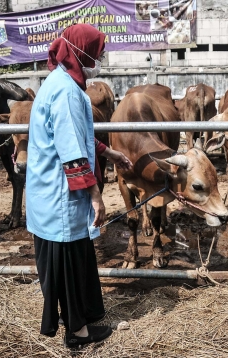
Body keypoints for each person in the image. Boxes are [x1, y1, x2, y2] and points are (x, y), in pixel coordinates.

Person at [26, 24, 132, 348]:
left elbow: (76, 136)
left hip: (50, 192)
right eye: (98, 51)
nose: (100, 57)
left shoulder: (61, 82)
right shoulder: (67, 92)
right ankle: (78, 333)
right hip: (60, 195)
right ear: (82, 51)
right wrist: (96, 195)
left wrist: (108, 151)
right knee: (70, 263)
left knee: (74, 257)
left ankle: (81, 316)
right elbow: (72, 152)